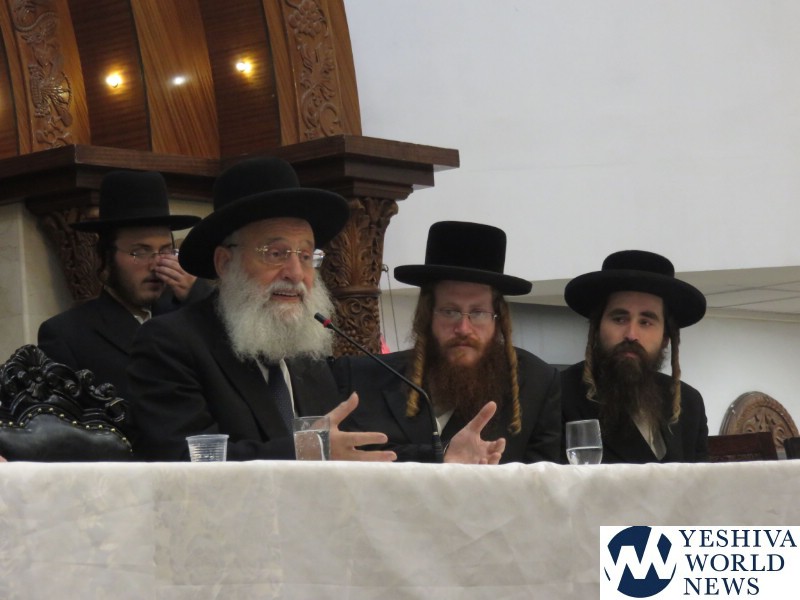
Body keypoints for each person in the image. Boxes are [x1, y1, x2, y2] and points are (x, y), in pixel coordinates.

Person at [127, 157, 396, 462]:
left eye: (306, 256)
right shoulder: (170, 344)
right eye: (276, 253)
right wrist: (308, 450)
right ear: (225, 263)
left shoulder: (303, 354)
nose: (296, 274)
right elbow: (186, 458)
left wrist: (436, 455)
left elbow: (350, 449)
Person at [333, 221, 562, 464]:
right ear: (427, 315)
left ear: (498, 319)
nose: (463, 328)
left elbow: (544, 481)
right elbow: (352, 461)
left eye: (478, 313)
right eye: (449, 311)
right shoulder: (364, 378)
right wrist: (441, 455)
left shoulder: (537, 383)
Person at [38, 170, 210, 402]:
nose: (155, 264)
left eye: (165, 251)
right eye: (139, 252)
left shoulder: (189, 313)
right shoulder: (67, 334)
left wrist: (200, 296)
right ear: (106, 258)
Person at [560, 249, 709, 463]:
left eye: (646, 322)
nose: (631, 334)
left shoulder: (689, 403)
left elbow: (701, 481)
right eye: (619, 319)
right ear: (596, 329)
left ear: (665, 338)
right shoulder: (561, 395)